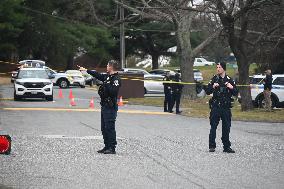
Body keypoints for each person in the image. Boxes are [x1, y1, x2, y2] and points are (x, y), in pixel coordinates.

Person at [79, 60, 121, 154]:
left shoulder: (116, 79)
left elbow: (113, 92)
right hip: (104, 105)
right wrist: (86, 70)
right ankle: (106, 146)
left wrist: (106, 84)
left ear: (111, 67)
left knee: (110, 127)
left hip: (111, 106)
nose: (106, 67)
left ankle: (112, 147)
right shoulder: (107, 77)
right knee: (104, 127)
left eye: (107, 65)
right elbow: (97, 75)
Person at [206, 62, 238, 153]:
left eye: (219, 67)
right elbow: (207, 91)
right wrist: (212, 86)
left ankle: (226, 147)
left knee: (226, 127)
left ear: (224, 68)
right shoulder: (214, 79)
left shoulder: (229, 80)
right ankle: (212, 146)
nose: (218, 69)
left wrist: (231, 87)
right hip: (216, 106)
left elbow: (236, 93)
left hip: (226, 107)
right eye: (217, 67)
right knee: (213, 126)